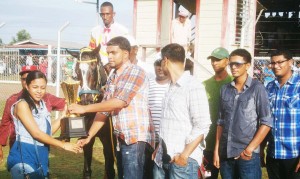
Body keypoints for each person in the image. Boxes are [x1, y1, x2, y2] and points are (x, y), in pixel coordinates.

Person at [69, 36, 155, 179]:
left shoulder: (135, 72)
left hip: (136, 139)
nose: (109, 57)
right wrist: (88, 137)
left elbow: (119, 102)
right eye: (108, 53)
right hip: (122, 139)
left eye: (113, 53)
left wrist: (84, 109)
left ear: (126, 54)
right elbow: (104, 110)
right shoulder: (113, 76)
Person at [7, 71, 81, 178]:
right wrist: (63, 145)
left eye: (42, 88)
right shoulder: (22, 105)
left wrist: (62, 117)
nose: (39, 91)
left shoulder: (42, 105)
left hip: (41, 155)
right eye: (35, 87)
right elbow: (36, 134)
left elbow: (47, 133)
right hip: (25, 157)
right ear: (27, 87)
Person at [152, 43, 211, 179]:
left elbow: (203, 125)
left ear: (165, 60)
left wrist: (184, 155)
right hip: (162, 160)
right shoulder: (171, 87)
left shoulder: (193, 86)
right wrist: (159, 148)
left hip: (182, 162)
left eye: (161, 61)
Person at [213, 49, 272, 179]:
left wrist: (249, 150)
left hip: (247, 156)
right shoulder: (225, 89)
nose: (234, 67)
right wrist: (217, 151)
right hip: (226, 154)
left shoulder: (257, 88)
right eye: (231, 63)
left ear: (247, 65)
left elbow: (266, 122)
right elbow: (220, 122)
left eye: (238, 64)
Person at [0, 65, 66, 163]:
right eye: (24, 79)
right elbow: (5, 124)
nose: (26, 80)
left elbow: (65, 103)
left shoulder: (46, 98)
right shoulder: (13, 100)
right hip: (20, 147)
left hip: (41, 147)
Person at [264, 49, 300, 179]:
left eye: (280, 62)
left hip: (294, 154)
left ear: (290, 62)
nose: (276, 66)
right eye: (273, 63)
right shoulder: (269, 87)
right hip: (274, 153)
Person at [202, 47, 233, 179]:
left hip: (228, 142)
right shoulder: (205, 84)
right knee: (208, 176)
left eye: (218, 60)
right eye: (213, 60)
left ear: (227, 61)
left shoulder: (233, 83)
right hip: (208, 141)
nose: (214, 63)